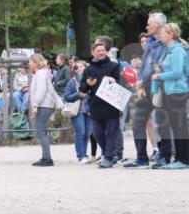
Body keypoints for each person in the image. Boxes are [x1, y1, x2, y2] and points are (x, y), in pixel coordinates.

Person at [130, 13, 174, 169]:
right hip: (146, 85)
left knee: (163, 123)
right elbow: (145, 66)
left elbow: (161, 65)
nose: (147, 26)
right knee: (137, 121)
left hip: (161, 85)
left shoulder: (167, 42)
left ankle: (165, 157)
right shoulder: (150, 43)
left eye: (150, 24)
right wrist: (140, 82)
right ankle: (141, 158)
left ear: (159, 25)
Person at [80, 39, 124, 169]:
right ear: (93, 53)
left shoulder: (114, 65)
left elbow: (122, 83)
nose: (101, 52)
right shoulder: (88, 69)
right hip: (95, 105)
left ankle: (109, 157)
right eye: (98, 50)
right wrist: (88, 84)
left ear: (106, 51)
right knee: (97, 132)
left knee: (111, 132)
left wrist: (114, 80)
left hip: (111, 104)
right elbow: (82, 89)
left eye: (103, 50)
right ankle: (109, 154)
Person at [151, 22, 189, 169]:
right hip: (171, 91)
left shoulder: (178, 50)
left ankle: (184, 160)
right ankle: (180, 158)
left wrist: (159, 76)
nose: (160, 35)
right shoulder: (170, 50)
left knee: (180, 126)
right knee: (176, 126)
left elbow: (178, 73)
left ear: (171, 34)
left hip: (178, 91)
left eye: (163, 33)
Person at [28, 54, 60, 166]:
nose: (29, 64)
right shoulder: (42, 73)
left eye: (31, 62)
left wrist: (35, 105)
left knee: (41, 132)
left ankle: (47, 159)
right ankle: (45, 157)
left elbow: (40, 91)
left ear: (36, 63)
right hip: (46, 105)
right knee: (42, 132)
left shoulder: (40, 74)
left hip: (43, 105)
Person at [63, 61, 92, 164]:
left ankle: (84, 154)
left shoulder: (91, 81)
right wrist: (78, 95)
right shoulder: (72, 82)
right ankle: (81, 156)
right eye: (78, 67)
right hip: (77, 111)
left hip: (89, 112)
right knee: (81, 132)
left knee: (87, 134)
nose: (80, 68)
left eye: (82, 66)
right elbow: (66, 97)